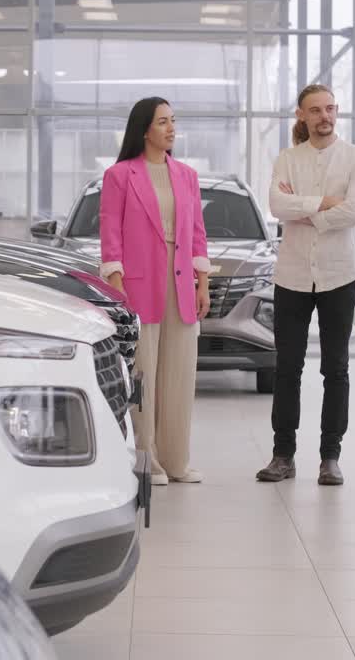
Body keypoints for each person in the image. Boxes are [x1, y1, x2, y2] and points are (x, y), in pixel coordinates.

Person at [257, 84, 355, 487]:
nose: (325, 116)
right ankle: (282, 455)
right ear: (301, 116)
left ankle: (330, 457)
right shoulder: (287, 159)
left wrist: (305, 208)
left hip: (339, 274)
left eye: (330, 108)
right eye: (316, 110)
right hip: (291, 276)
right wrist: (324, 202)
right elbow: (275, 205)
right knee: (286, 368)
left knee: (335, 368)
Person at [99, 96, 211, 486]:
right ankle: (147, 460)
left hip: (180, 283)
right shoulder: (119, 176)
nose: (171, 128)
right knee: (144, 372)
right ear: (144, 128)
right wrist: (116, 284)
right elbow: (110, 234)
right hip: (138, 284)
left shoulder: (187, 176)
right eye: (163, 121)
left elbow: (197, 235)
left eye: (173, 121)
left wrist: (203, 282)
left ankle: (176, 460)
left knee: (180, 374)